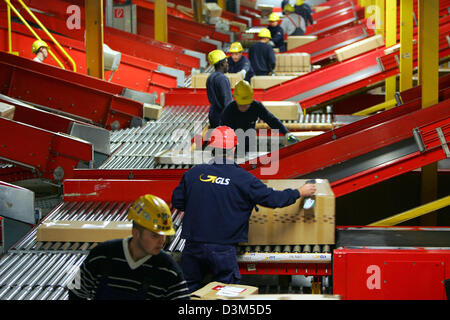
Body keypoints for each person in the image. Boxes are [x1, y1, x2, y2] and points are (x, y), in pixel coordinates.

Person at [171, 126, 316, 293]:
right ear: (234, 148)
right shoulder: (244, 179)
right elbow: (273, 199)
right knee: (224, 293)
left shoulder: (193, 173)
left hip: (193, 246)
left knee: (186, 292)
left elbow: (178, 202)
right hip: (223, 249)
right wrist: (299, 192)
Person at [68, 194, 190, 300]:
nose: (162, 241)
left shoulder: (168, 269)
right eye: (155, 236)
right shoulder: (101, 255)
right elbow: (75, 289)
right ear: (135, 232)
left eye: (164, 235)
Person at [221, 80, 299, 152]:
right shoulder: (229, 111)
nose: (244, 107)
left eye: (246, 104)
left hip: (250, 141)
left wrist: (287, 133)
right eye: (241, 105)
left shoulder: (256, 106)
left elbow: (271, 120)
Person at [206, 49, 233, 129]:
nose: (227, 64)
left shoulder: (210, 78)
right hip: (222, 118)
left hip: (213, 115)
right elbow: (227, 102)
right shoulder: (222, 79)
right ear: (221, 64)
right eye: (226, 61)